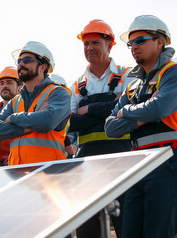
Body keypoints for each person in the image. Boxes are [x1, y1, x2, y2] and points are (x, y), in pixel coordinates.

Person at [105, 15, 177, 237]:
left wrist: (127, 111)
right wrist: (145, 113)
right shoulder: (133, 86)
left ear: (159, 41)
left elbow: (159, 109)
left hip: (170, 161)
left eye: (140, 40)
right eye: (130, 43)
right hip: (137, 165)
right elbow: (110, 127)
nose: (133, 47)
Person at [68, 19, 136, 238]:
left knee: (128, 226)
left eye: (95, 42)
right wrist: (111, 107)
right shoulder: (76, 84)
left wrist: (86, 109)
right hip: (86, 165)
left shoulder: (128, 75)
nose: (89, 48)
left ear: (110, 45)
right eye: (86, 44)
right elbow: (70, 123)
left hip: (123, 161)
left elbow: (130, 109)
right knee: (88, 229)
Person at [0, 41, 71, 165]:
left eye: (26, 60)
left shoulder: (59, 93)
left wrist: (14, 117)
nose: (21, 64)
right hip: (18, 174)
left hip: (49, 173)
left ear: (43, 66)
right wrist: (31, 124)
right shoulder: (15, 101)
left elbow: (47, 121)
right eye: (19, 61)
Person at [50, 74, 77, 158]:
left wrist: (74, 146)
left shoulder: (68, 113)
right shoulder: (38, 110)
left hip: (61, 158)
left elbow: (74, 135)